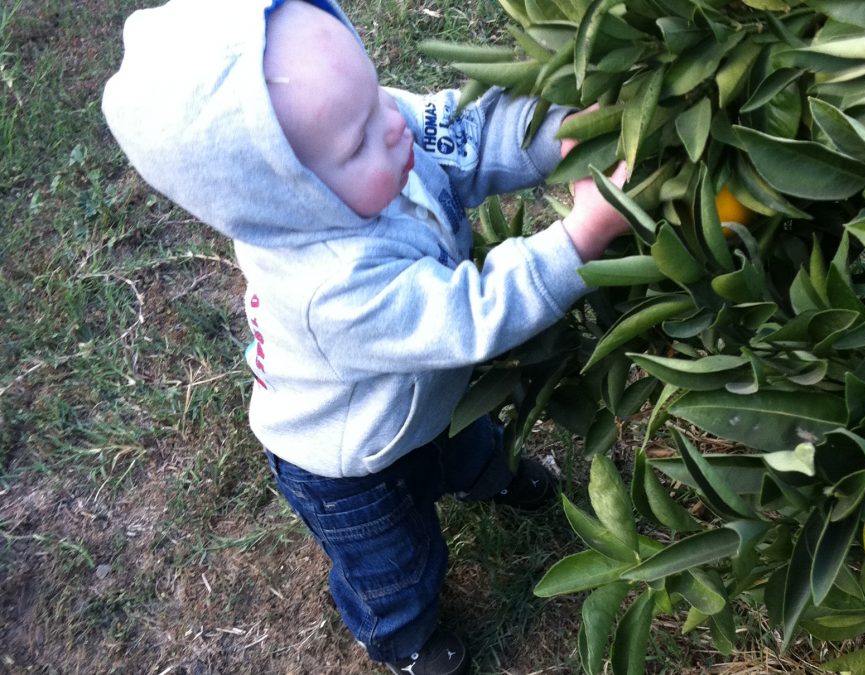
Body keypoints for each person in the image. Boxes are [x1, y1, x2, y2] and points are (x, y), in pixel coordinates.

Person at [102, 0, 629, 673]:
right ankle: (399, 634)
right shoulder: (330, 287)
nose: (393, 122)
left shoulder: (365, 124)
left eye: (375, 91)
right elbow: (471, 312)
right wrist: (579, 238)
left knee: (470, 445)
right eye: (356, 142)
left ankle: (489, 478)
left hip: (418, 399)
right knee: (398, 564)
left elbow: (462, 131)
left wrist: (561, 135)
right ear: (285, 199)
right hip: (351, 465)